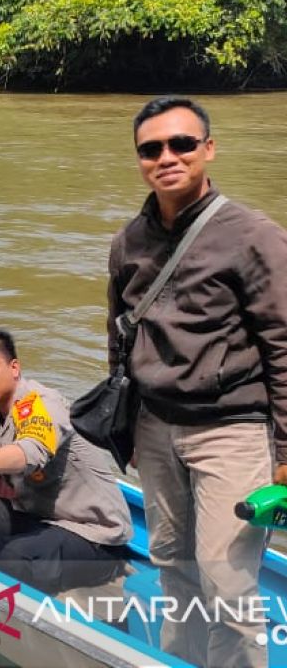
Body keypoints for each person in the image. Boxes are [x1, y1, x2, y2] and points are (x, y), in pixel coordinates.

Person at [108, 96, 287, 667]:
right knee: (172, 567)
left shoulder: (252, 234)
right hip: (156, 430)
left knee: (228, 585)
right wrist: (128, 428)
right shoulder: (128, 242)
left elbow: (283, 344)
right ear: (139, 159)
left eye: (182, 143)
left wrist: (286, 450)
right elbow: (120, 338)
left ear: (208, 149)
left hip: (232, 431)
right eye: (151, 148)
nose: (167, 157)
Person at [0, 329, 132, 594]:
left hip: (91, 536)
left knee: (14, 558)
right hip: (36, 517)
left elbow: (31, 451)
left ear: (14, 367)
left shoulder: (41, 403)